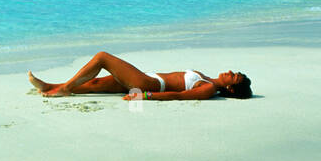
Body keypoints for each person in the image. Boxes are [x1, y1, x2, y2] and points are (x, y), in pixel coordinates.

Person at [27, 51, 252, 100]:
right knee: (95, 83)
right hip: (146, 78)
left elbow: (180, 96)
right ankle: (50, 87)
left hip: (146, 83)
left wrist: (144, 96)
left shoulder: (210, 88)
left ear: (231, 89)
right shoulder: (208, 79)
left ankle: (64, 88)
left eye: (234, 77)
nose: (230, 72)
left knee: (102, 58)